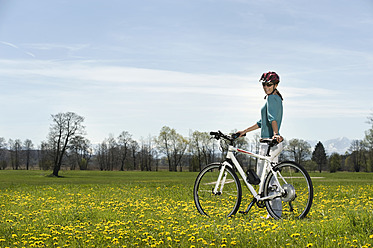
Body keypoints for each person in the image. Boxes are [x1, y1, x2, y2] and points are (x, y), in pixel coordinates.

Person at [237, 71, 284, 218]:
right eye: (264, 84)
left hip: (269, 142)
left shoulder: (272, 98)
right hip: (269, 142)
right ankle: (274, 211)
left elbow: (272, 119)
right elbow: (262, 122)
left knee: (269, 179)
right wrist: (245, 131)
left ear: (275, 85)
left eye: (269, 84)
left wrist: (275, 134)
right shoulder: (275, 99)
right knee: (267, 178)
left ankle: (275, 213)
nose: (265, 87)